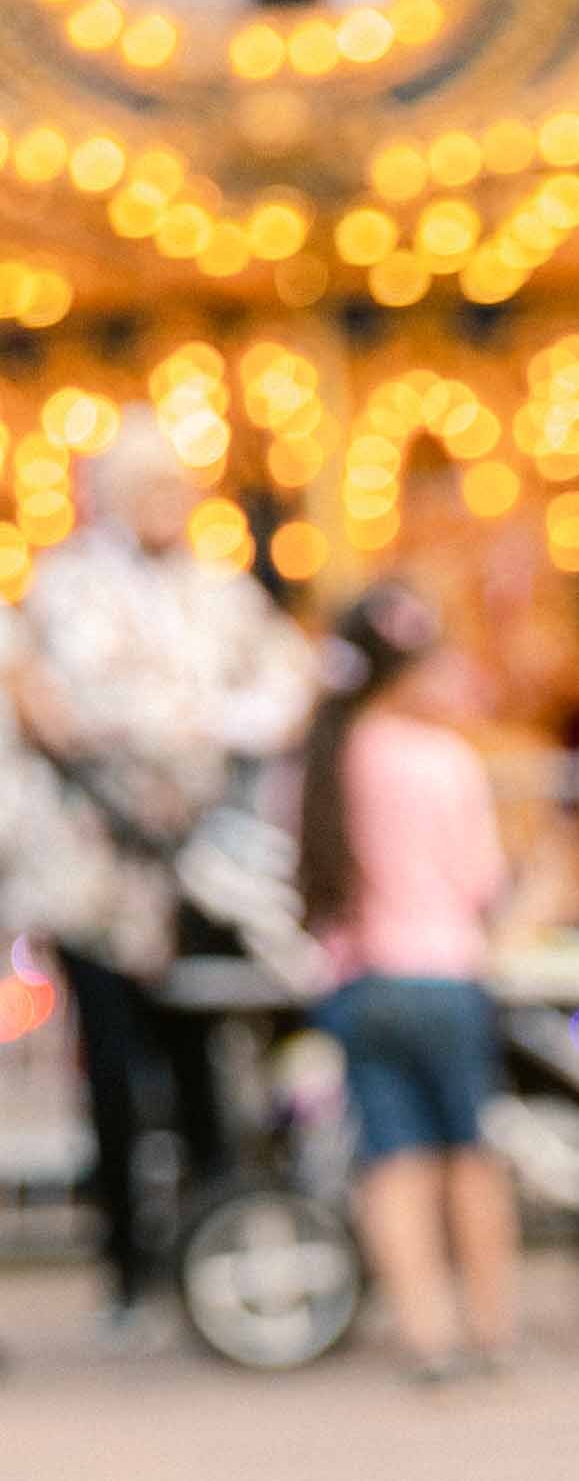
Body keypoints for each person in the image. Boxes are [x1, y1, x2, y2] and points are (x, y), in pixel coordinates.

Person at [10, 411, 316, 1343]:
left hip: (202, 872)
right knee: (112, 1071)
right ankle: (127, 1267)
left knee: (208, 1064)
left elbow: (281, 688)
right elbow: (63, 710)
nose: (163, 507)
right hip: (99, 878)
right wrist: (168, 725)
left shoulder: (223, 592)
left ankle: (212, 1250)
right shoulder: (65, 589)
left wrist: (208, 725)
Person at [299, 583, 520, 1384]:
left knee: (393, 1159)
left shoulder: (331, 756)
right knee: (469, 1153)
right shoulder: (445, 759)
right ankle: (490, 1329)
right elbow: (480, 879)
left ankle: (428, 1338)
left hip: (361, 982)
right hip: (446, 975)